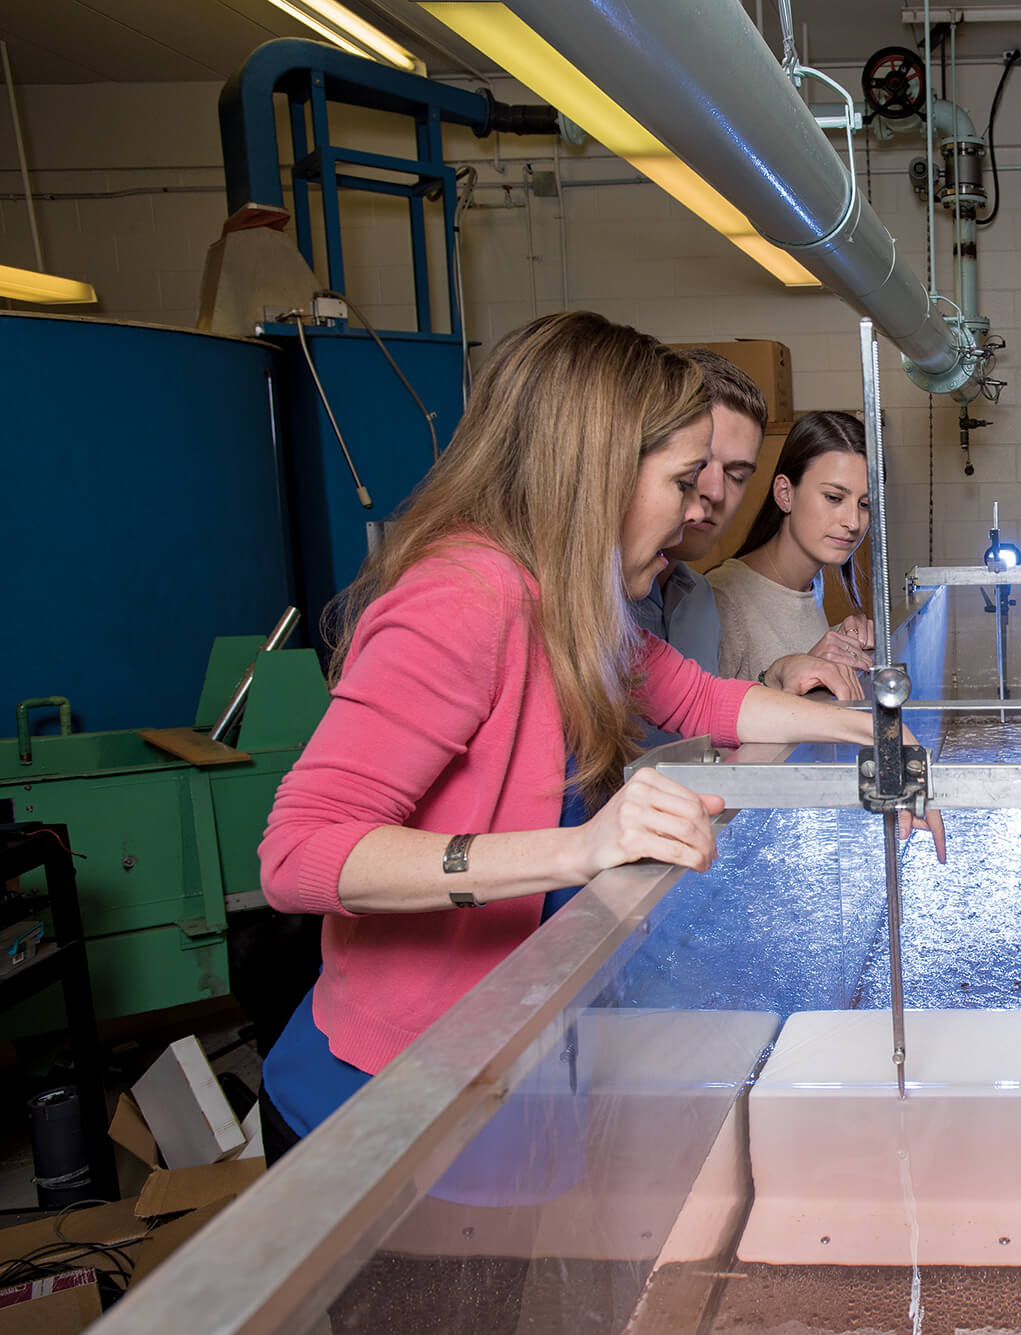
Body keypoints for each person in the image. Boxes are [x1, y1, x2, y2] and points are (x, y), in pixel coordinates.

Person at [256, 313, 942, 1161]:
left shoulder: (574, 600)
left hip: (509, 1043)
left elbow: (703, 700)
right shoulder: (464, 598)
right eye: (686, 479)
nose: (700, 508)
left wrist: (872, 734)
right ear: (601, 473)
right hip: (380, 1094)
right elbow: (298, 854)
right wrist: (578, 849)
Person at [628, 349, 859, 743]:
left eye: (736, 475)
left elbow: (703, 712)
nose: (714, 491)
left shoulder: (694, 595)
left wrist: (778, 676)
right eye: (694, 468)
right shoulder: (520, 596)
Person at [707, 411, 878, 683]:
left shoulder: (811, 581)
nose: (853, 522)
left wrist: (843, 639)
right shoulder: (721, 600)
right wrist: (786, 677)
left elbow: (789, 641)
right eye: (834, 497)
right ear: (785, 494)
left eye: (865, 504)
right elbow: (701, 722)